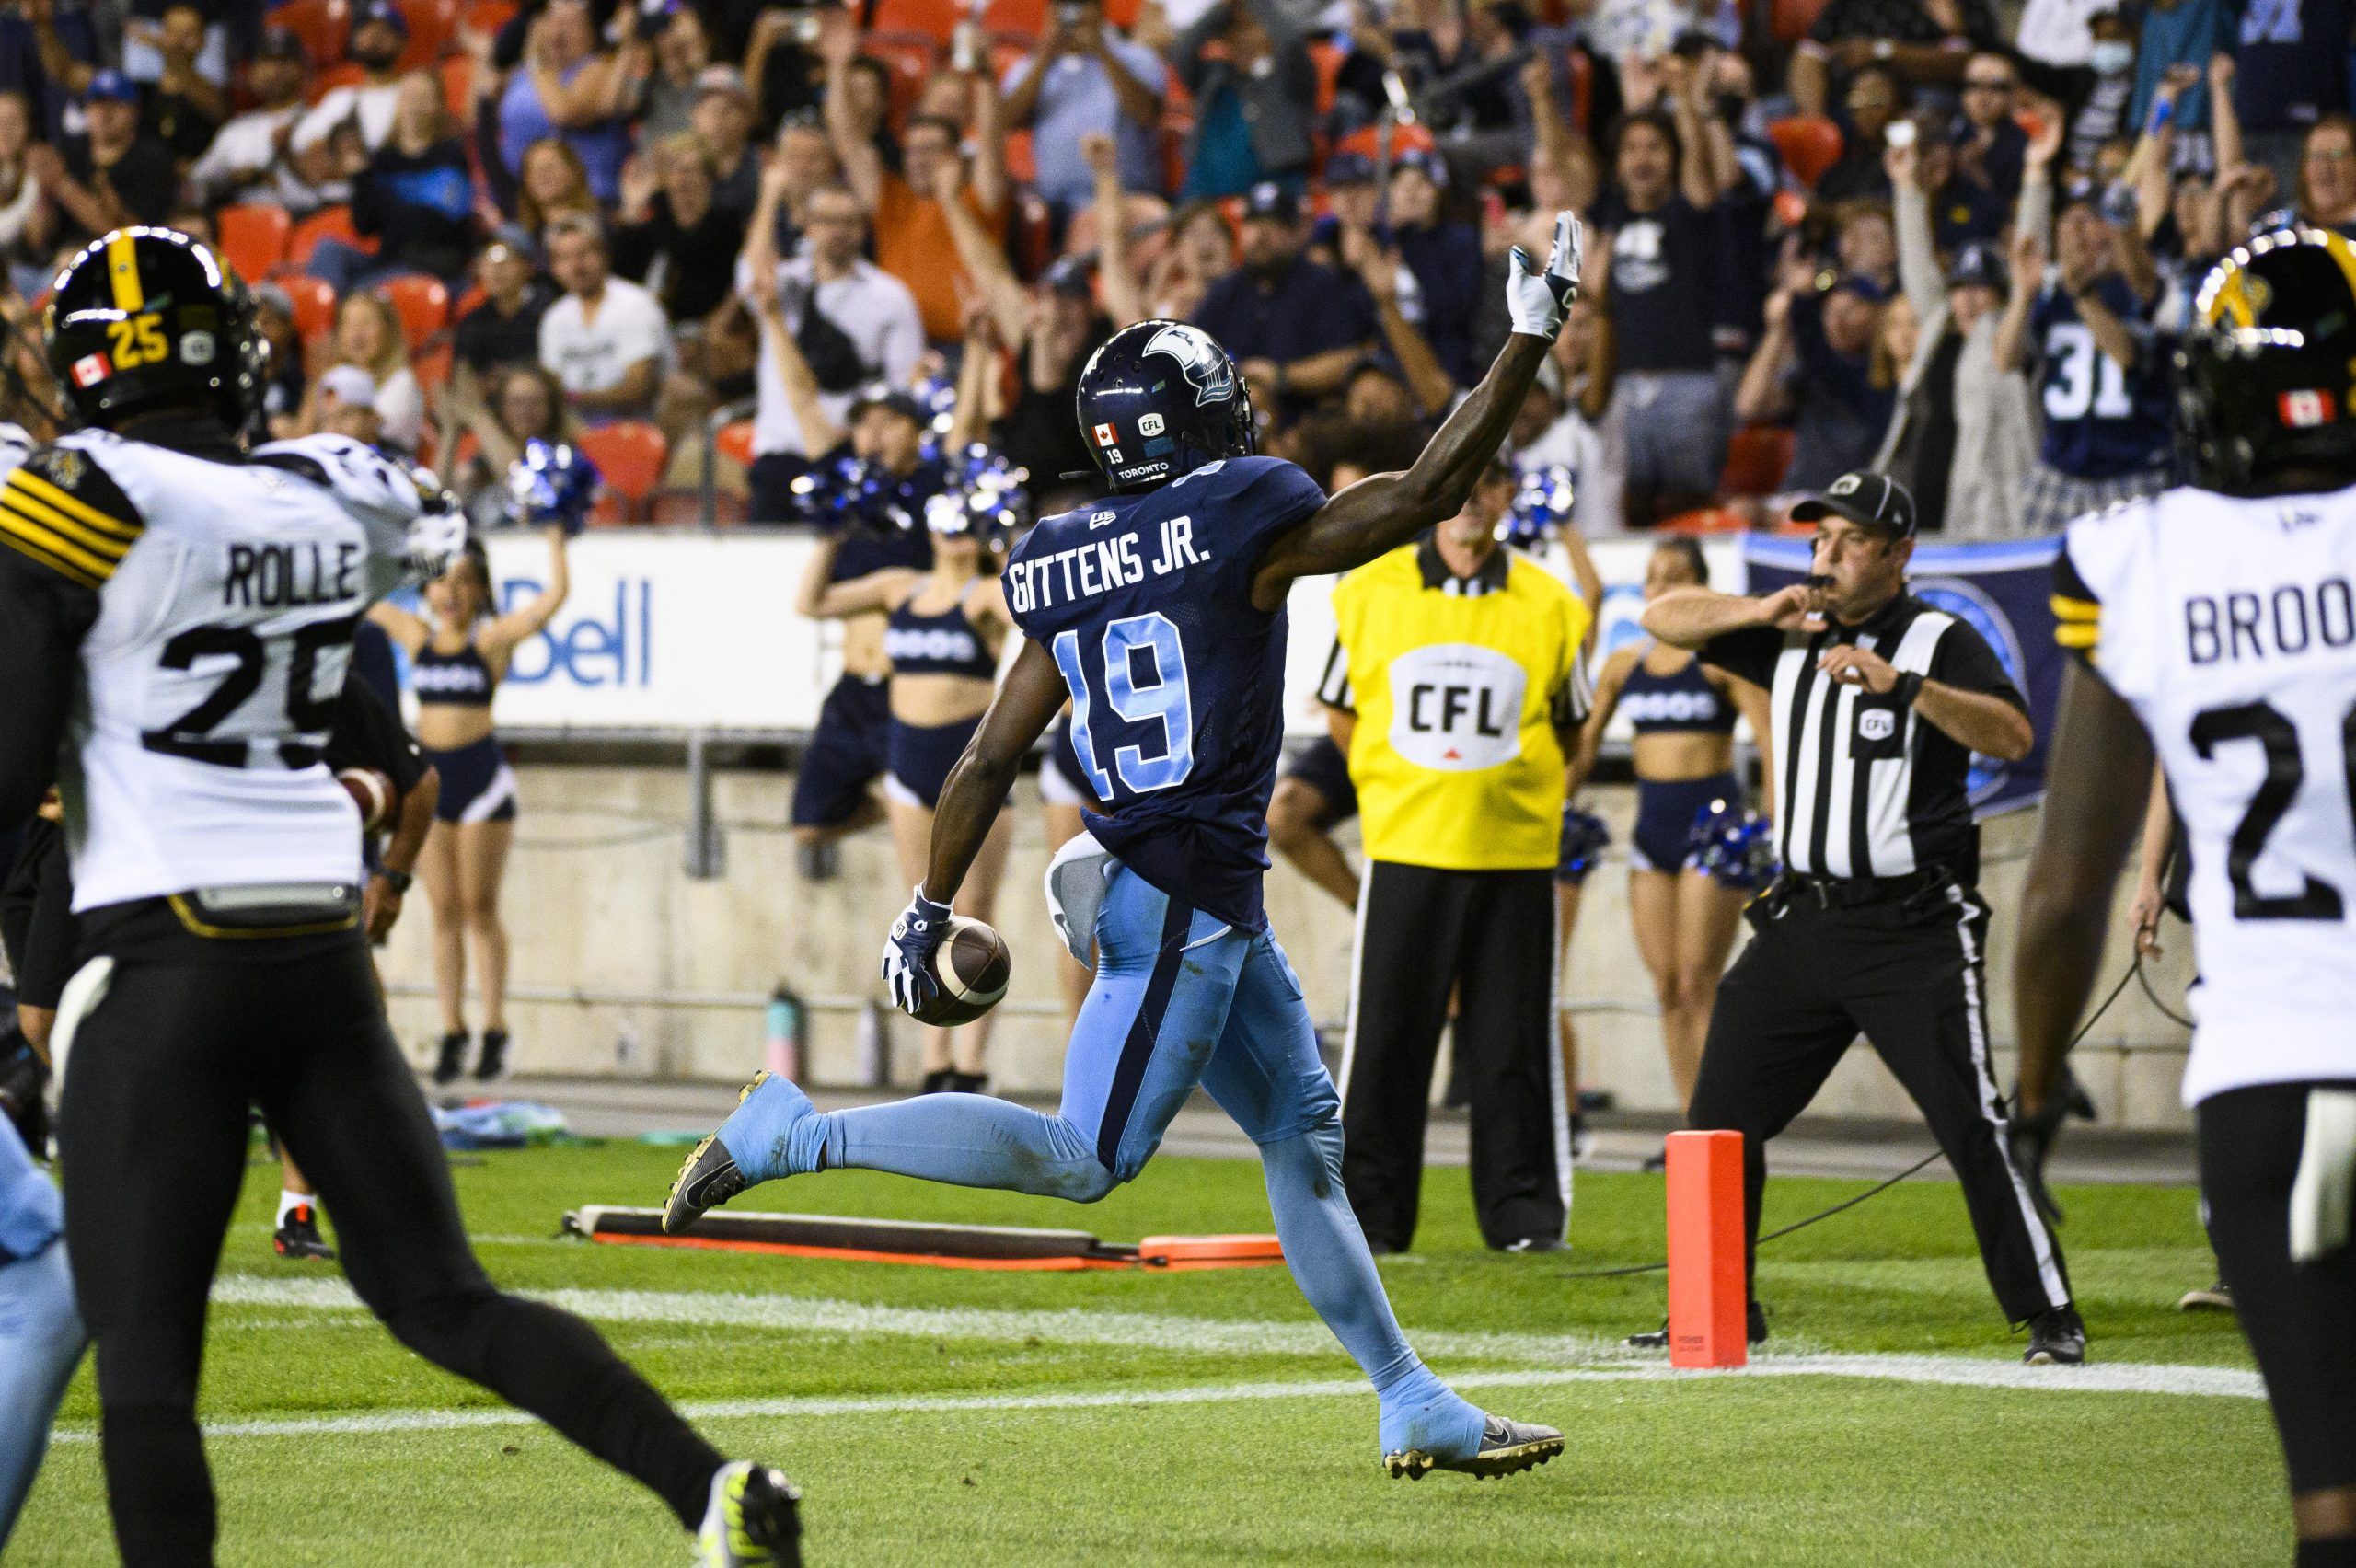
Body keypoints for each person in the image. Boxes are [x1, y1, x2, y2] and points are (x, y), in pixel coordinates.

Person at [666, 216, 1587, 1478]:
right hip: (1175, 896)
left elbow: (988, 755)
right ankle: (791, 1133)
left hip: (1143, 874)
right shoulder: (1243, 514)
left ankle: (1409, 1395)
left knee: (1303, 1138)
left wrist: (927, 906)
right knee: (1087, 1159)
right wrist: (1529, 340)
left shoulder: (1062, 552)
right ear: (1188, 421)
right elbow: (1426, 492)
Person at [0, 225, 801, 1567]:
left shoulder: (78, 497)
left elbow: (16, 752)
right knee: (447, 1300)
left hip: (161, 961)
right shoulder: (332, 486)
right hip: (317, 961)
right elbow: (400, 537)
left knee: (148, 1375)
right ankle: (710, 1491)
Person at [2012, 228, 2356, 1568]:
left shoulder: (2137, 556)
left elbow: (2058, 894)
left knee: (2329, 1505)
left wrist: (2037, 1097)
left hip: (2267, 1075)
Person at [1634, 469, 2079, 1363]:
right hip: (1801, 922)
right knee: (1713, 1121)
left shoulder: (1939, 639)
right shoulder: (1788, 636)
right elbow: (1661, 618)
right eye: (1817, 543)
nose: (1826, 558)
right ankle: (1719, 1308)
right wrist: (1755, 614)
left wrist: (1903, 688)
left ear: (1898, 554)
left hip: (1909, 927)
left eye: (1847, 542)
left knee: (1969, 1122)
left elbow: (2012, 736)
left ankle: (2049, 1315)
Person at [1318, 456, 1593, 1255]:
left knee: (1513, 1041)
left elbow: (1571, 730)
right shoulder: (1366, 592)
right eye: (1458, 484)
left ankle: (1524, 1219)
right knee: (1388, 1041)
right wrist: (1408, 786)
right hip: (1406, 849)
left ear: (1510, 496)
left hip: (1515, 856)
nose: (1472, 500)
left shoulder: (1551, 604)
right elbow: (1342, 715)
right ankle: (1371, 1218)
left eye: (1489, 484)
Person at [801, 425, 1014, 1094]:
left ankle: (969, 1064)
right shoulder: (899, 586)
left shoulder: (984, 595)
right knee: (924, 911)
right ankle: (933, 1061)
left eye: (966, 520)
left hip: (972, 770)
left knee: (976, 914)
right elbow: (810, 603)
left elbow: (1033, 609)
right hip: (908, 769)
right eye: (947, 519)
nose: (954, 531)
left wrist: (1000, 543)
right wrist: (834, 531)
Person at [1567, 537, 1772, 1110]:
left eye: (1678, 576)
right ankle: (1690, 1123)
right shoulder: (1621, 664)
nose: (1661, 587)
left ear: (1702, 589)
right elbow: (1580, 753)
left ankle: (1715, 1125)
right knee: (1666, 988)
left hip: (1713, 830)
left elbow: (1770, 743)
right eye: (1654, 577)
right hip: (1651, 830)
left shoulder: (1723, 661)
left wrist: (1774, 828)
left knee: (1697, 982)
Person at [368, 526, 571, 1085]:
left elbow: (553, 601)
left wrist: (556, 540)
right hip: (432, 782)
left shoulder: (490, 643)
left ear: (481, 592)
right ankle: (452, 1028)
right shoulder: (415, 636)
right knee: (443, 912)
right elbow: (365, 595)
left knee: (479, 907)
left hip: (481, 781)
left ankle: (495, 1029)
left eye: (463, 583)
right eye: (440, 582)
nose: (450, 593)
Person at [735, 178, 924, 520]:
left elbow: (905, 386)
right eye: (826, 221)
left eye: (849, 222)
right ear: (808, 227)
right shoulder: (781, 285)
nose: (838, 231)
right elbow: (750, 270)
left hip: (848, 457)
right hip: (780, 450)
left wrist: (873, 438)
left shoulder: (889, 297)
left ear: (864, 229)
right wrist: (770, 195)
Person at [1192, 183, 1380, 426]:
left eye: (1274, 225)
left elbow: (1351, 358)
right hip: (1236, 419)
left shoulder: (1323, 284)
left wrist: (1282, 376)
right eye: (1253, 224)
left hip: (1314, 417)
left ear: (1297, 232)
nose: (1261, 235)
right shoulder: (1225, 293)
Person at [999, 0, 1168, 217]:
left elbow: (1147, 113)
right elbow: (1005, 121)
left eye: (1080, 5)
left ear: (1100, 10)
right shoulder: (1031, 66)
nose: (1071, 15)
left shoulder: (1137, 57)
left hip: (1128, 199)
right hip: (1056, 209)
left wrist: (1101, 50)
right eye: (1061, 6)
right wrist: (1045, 56)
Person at [498, 0, 638, 205]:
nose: (558, 34)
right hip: (524, 199)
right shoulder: (524, 73)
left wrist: (536, 60)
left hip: (589, 200)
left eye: (570, 25)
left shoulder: (598, 68)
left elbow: (563, 113)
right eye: (553, 22)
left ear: (592, 33)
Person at [538, 213, 671, 423]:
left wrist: (574, 398)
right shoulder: (554, 318)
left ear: (604, 254)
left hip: (638, 426)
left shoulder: (635, 304)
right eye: (564, 258)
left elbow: (640, 388)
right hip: (577, 432)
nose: (576, 266)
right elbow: (552, 386)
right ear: (554, 268)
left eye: (583, 254)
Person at [30, 70, 179, 253]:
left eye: (115, 104)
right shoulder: (69, 155)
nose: (104, 114)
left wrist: (62, 185)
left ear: (135, 111)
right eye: (97, 104)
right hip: (59, 261)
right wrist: (43, 194)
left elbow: (131, 237)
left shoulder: (152, 160)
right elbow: (37, 240)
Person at [455, 228, 556, 375]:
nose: (496, 269)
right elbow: (464, 375)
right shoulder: (473, 322)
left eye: (507, 259)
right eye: (488, 260)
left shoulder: (550, 311)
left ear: (529, 267)